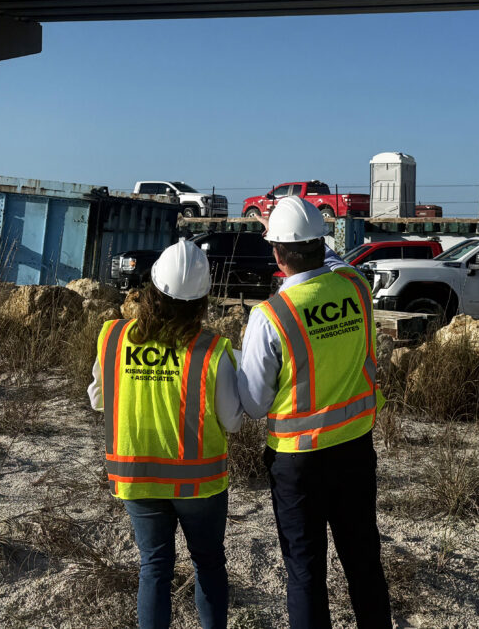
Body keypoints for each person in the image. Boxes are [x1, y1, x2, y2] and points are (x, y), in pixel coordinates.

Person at [238, 197, 392, 629]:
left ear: (277, 254)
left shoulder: (271, 317)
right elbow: (335, 261)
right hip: (356, 450)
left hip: (297, 463)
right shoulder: (356, 287)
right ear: (320, 242)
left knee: (306, 573)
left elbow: (252, 404)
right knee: (363, 560)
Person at [88, 238, 242, 629]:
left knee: (154, 566)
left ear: (152, 288)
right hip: (199, 486)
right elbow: (234, 421)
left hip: (137, 476)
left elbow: (98, 400)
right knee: (208, 563)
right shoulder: (212, 351)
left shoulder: (113, 337)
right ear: (203, 300)